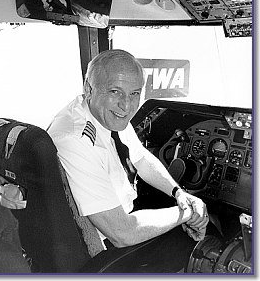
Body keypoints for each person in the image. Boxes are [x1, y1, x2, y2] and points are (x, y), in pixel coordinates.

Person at [48, 49, 209, 272]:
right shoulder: (76, 139)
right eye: (115, 91)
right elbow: (122, 233)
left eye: (134, 93)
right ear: (89, 88)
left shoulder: (105, 115)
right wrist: (189, 213)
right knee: (200, 243)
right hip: (106, 248)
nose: (126, 105)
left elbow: (141, 158)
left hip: (122, 216)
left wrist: (178, 194)